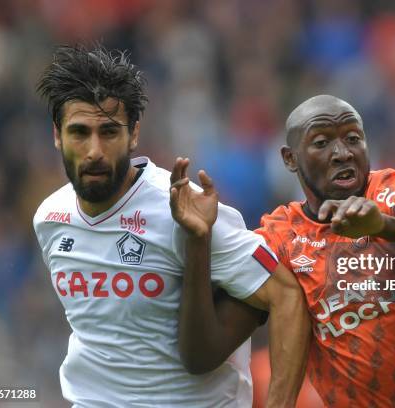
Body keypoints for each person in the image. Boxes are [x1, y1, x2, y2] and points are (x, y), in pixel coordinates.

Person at [175, 95, 395, 407]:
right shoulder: (280, 238)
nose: (343, 153)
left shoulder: (392, 191)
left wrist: (383, 226)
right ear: (290, 159)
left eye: (353, 138)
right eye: (322, 142)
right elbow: (204, 356)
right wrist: (198, 242)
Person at [32, 44, 309, 407]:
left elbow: (287, 295)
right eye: (79, 132)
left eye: (110, 132)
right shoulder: (50, 218)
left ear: (133, 135)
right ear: (57, 135)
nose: (94, 150)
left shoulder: (183, 206)